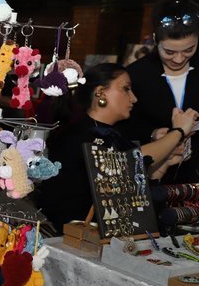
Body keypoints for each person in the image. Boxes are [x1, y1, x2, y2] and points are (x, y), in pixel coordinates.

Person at [39, 63, 198, 233]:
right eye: (126, 89)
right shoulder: (81, 134)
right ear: (100, 92)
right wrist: (179, 131)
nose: (134, 98)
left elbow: (131, 184)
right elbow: (130, 161)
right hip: (72, 234)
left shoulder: (113, 133)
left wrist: (164, 163)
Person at [116, 0, 199, 183]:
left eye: (189, 50)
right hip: (155, 176)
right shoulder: (136, 74)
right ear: (155, 39)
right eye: (169, 52)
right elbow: (123, 126)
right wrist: (152, 134)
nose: (178, 59)